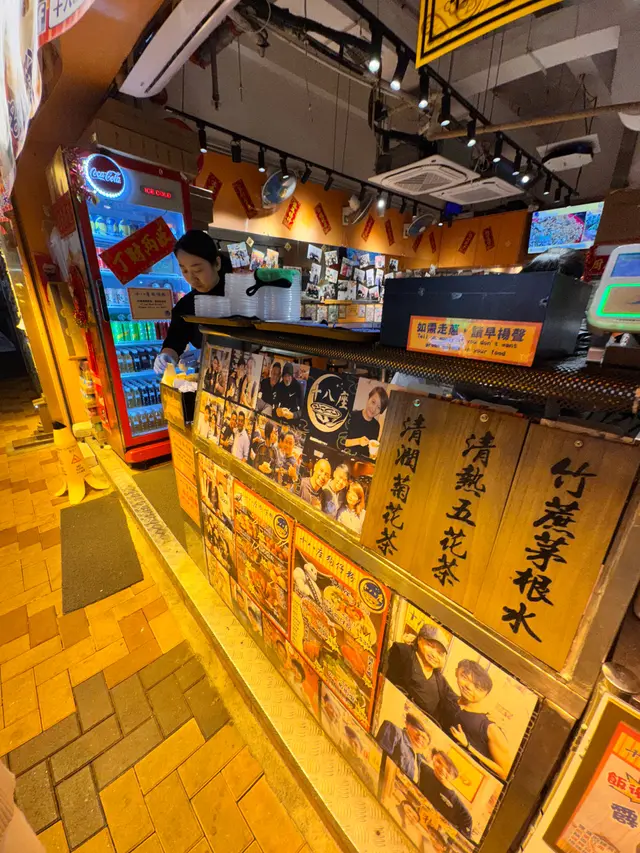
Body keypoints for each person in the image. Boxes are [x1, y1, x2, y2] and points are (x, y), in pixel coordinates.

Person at [154, 230, 228, 375]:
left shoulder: (240, 296)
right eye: (185, 271)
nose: (191, 278)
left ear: (217, 263)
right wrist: (166, 356)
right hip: (207, 375)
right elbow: (175, 340)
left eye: (197, 270)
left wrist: (210, 354)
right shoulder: (186, 305)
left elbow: (253, 343)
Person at [436, 659, 511, 780]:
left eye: (478, 687)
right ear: (456, 672)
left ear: (486, 694)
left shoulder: (489, 727)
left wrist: (468, 746)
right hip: (439, 765)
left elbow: (505, 773)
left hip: (466, 779)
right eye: (465, 677)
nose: (469, 687)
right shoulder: (451, 699)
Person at [386, 624, 449, 719]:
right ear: (419, 640)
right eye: (430, 645)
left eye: (440, 653)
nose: (434, 655)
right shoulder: (403, 653)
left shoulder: (439, 680)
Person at [418, 750, 473, 839]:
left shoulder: (463, 814)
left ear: (454, 776)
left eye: (448, 770)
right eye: (439, 762)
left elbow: (461, 841)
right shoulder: (423, 769)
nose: (442, 769)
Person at [376, 711, 431, 783]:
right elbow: (377, 759)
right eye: (417, 730)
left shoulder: (418, 759)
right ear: (408, 724)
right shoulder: (394, 731)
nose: (419, 738)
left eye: (424, 737)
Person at [345, 385, 389, 457]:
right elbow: (340, 441)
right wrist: (358, 441)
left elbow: (371, 450)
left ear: (381, 411)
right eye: (373, 402)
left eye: (378, 407)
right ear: (368, 399)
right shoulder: (352, 415)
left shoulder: (376, 426)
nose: (373, 409)